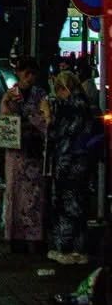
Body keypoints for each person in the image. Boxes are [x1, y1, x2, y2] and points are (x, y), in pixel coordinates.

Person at [46, 70, 98, 264]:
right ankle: (80, 250)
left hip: (67, 162)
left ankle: (65, 249)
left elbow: (56, 134)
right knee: (80, 205)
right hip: (84, 163)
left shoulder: (68, 108)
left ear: (62, 88)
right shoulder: (88, 106)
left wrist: (48, 116)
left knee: (64, 206)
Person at [0, 55, 48, 254]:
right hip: (15, 153)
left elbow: (45, 120)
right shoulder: (10, 95)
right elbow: (5, 122)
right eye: (26, 73)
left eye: (33, 74)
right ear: (18, 73)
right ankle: (16, 238)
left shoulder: (40, 94)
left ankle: (35, 237)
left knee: (35, 195)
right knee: (14, 194)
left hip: (34, 151)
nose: (30, 77)